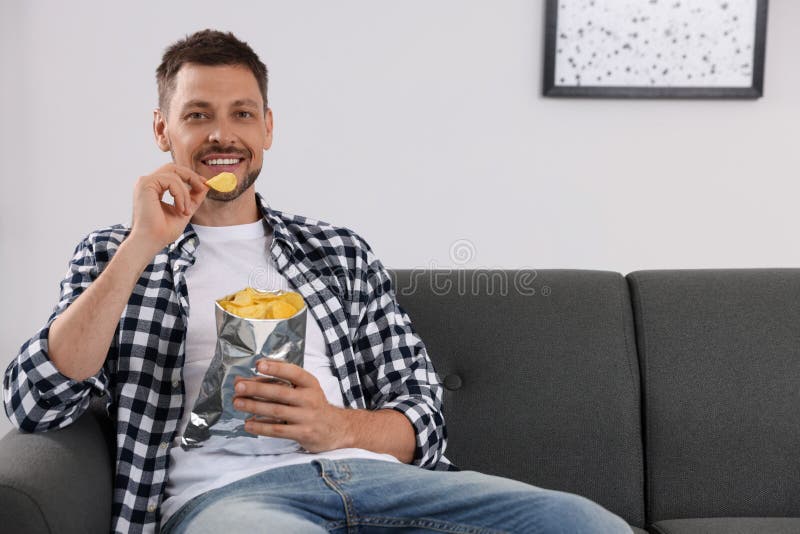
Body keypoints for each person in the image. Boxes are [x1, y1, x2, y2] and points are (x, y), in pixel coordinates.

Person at [3, 29, 632, 534]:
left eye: (241, 114)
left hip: (377, 482)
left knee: (583, 521)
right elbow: (36, 401)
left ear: (267, 130)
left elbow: (423, 412)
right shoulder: (114, 253)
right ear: (163, 130)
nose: (223, 134)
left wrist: (334, 425)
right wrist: (142, 245)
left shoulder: (338, 252)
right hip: (228, 500)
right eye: (198, 115)